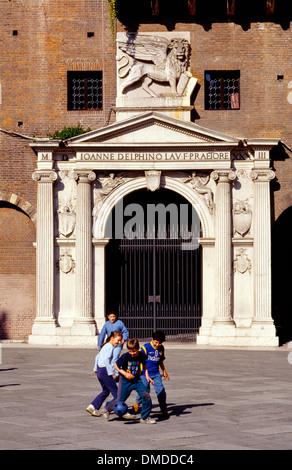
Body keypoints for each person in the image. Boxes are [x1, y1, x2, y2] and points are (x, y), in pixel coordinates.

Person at [107, 338, 157, 424]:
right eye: (130, 351)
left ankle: (144, 417)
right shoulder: (125, 356)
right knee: (120, 400)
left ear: (138, 348)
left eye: (134, 351)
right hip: (125, 381)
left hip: (137, 381)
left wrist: (147, 376)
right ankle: (107, 408)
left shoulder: (141, 355)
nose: (132, 353)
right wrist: (125, 373)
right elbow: (115, 365)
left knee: (146, 395)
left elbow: (144, 365)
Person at [86, 331, 122, 417]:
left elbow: (97, 357)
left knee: (105, 391)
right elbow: (106, 359)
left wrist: (95, 369)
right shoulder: (110, 347)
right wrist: (110, 372)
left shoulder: (106, 346)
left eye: (120, 341)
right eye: (118, 340)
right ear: (112, 338)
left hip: (100, 371)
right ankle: (120, 410)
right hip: (105, 371)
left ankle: (92, 406)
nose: (119, 342)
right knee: (117, 393)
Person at [133, 331, 169, 416]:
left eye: (159, 343)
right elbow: (138, 359)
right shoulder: (145, 348)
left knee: (161, 390)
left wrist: (164, 371)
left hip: (156, 374)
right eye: (156, 342)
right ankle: (137, 403)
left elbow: (160, 361)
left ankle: (163, 408)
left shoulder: (161, 349)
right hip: (144, 374)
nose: (157, 345)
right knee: (144, 390)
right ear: (152, 339)